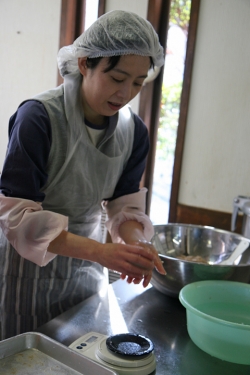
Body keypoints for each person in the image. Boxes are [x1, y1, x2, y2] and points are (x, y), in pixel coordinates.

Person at [0, 10, 166, 340]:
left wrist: (135, 246)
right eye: (117, 78)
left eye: (138, 82)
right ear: (84, 63)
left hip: (86, 276)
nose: (126, 93)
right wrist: (102, 252)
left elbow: (124, 208)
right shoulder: (39, 118)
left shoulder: (134, 132)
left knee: (78, 353)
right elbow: (17, 217)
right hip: (28, 271)